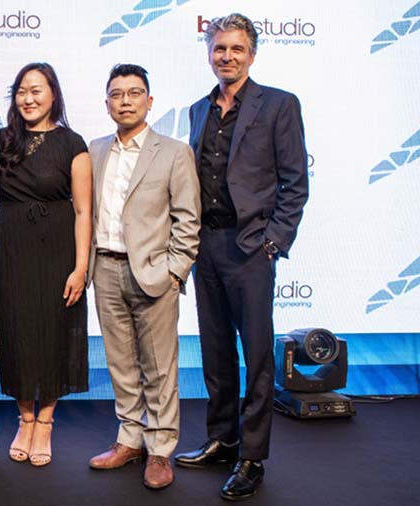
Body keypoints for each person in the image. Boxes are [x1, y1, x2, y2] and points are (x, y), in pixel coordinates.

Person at [172, 13, 309, 502]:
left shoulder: (279, 105)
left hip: (250, 247)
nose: (226, 56)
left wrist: (273, 242)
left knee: (256, 356)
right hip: (205, 245)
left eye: (236, 49)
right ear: (209, 53)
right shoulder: (198, 109)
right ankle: (223, 439)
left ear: (252, 54)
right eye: (219, 48)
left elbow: (296, 183)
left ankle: (252, 457)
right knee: (215, 352)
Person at [85, 64, 200, 490]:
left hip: (153, 274)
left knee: (159, 367)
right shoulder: (95, 150)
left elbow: (188, 218)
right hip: (105, 269)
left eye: (134, 93)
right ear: (107, 104)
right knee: (120, 363)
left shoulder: (173, 152)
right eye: (117, 94)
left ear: (149, 101)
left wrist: (175, 272)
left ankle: (160, 449)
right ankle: (130, 439)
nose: (125, 101)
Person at [0, 62, 92, 467]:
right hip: (13, 248)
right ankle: (25, 419)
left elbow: (83, 211)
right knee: (15, 330)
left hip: (58, 250)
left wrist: (80, 268)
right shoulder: (0, 141)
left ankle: (46, 422)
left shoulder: (72, 143)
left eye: (37, 90)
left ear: (53, 94)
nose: (28, 98)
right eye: (21, 91)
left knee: (53, 332)